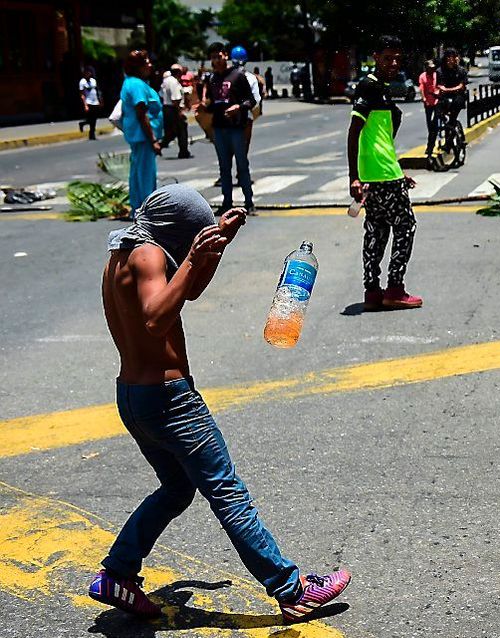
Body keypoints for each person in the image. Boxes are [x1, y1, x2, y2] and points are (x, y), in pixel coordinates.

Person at [88, 184, 351, 622]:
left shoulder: (124, 252)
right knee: (228, 494)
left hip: (135, 397)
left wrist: (216, 248)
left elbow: (185, 294)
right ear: (177, 234)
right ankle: (292, 590)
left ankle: (117, 572)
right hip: (171, 401)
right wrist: (193, 256)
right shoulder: (148, 256)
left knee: (176, 490)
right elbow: (156, 319)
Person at [348, 35, 423, 311]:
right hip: (379, 175)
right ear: (375, 56)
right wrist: (352, 176)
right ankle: (394, 288)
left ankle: (372, 291)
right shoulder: (369, 87)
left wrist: (398, 171)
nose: (393, 63)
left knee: (376, 230)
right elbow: (354, 132)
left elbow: (379, 139)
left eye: (396, 59)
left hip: (378, 173)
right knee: (405, 227)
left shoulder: (380, 88)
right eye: (387, 58)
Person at [202, 42, 257, 214]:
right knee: (224, 167)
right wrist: (204, 107)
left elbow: (251, 101)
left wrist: (239, 108)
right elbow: (212, 104)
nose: (216, 61)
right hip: (219, 127)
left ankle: (249, 201)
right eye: (212, 58)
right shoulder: (212, 80)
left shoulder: (238, 76)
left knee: (242, 165)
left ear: (225, 56)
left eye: (218, 57)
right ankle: (227, 202)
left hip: (236, 127)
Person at [120, 50, 163, 218]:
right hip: (143, 137)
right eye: (146, 62)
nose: (150, 65)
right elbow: (141, 113)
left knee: (138, 172)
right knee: (146, 174)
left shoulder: (131, 82)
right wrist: (152, 139)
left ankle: (137, 208)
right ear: (137, 67)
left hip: (137, 136)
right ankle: (146, 210)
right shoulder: (137, 85)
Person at [160, 64, 192, 159]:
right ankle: (183, 151)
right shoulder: (174, 82)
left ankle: (161, 145)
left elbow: (161, 94)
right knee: (181, 129)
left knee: (172, 131)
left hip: (166, 107)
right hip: (173, 108)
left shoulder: (166, 80)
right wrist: (179, 112)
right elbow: (175, 99)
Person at [436, 49, 468, 127]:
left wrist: (448, 89)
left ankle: (453, 125)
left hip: (458, 95)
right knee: (438, 107)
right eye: (448, 57)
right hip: (445, 95)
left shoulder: (461, 70)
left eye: (453, 57)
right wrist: (441, 88)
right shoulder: (439, 71)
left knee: (457, 103)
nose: (450, 60)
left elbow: (461, 86)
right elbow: (438, 84)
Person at [418, 60, 440, 157]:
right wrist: (424, 99)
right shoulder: (422, 76)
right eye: (430, 68)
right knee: (430, 126)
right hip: (428, 103)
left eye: (433, 68)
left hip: (437, 102)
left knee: (434, 125)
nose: (432, 70)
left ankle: (430, 146)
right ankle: (430, 145)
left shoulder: (437, 75)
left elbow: (440, 86)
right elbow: (422, 88)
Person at [78, 66, 102, 140]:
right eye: (87, 73)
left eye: (89, 72)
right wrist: (85, 105)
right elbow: (82, 94)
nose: (88, 74)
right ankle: (90, 133)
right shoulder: (82, 82)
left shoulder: (93, 80)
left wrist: (100, 100)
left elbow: (97, 91)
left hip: (95, 101)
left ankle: (91, 133)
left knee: (94, 119)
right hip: (88, 102)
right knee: (91, 119)